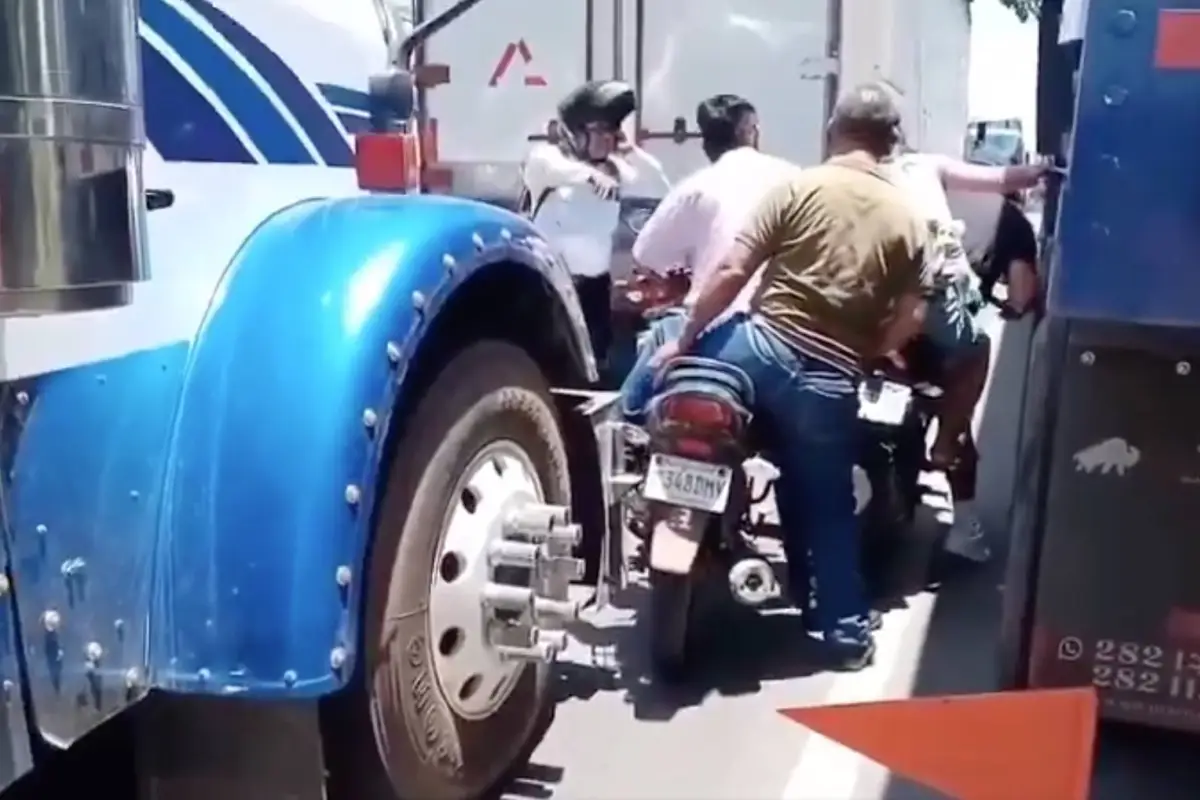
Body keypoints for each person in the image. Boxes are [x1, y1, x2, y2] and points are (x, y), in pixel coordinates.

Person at [648, 84, 935, 669]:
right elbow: (913, 316)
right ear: (891, 142)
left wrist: (684, 338)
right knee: (827, 504)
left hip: (756, 349)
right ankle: (846, 634)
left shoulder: (800, 187)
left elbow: (731, 270)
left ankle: (637, 440)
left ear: (834, 131)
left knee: (662, 357)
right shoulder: (911, 217)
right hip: (829, 379)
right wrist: (868, 350)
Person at [884, 147, 1046, 563]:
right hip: (939, 336)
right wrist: (1014, 307)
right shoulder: (1013, 223)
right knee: (961, 402)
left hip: (882, 322)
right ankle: (963, 521)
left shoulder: (923, 190)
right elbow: (1023, 290)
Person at [618, 93, 802, 422]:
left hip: (703, 328)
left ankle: (619, 443)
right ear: (752, 132)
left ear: (705, 144)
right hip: (779, 333)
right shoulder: (795, 181)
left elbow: (646, 253)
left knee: (630, 410)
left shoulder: (696, 187)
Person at [521, 80, 669, 375]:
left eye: (610, 130)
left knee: (593, 369)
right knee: (545, 364)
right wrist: (589, 176)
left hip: (594, 290)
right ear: (576, 131)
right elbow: (551, 169)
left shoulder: (615, 169)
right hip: (550, 287)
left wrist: (633, 153)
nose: (606, 138)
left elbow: (660, 185)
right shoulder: (547, 160)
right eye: (597, 130)